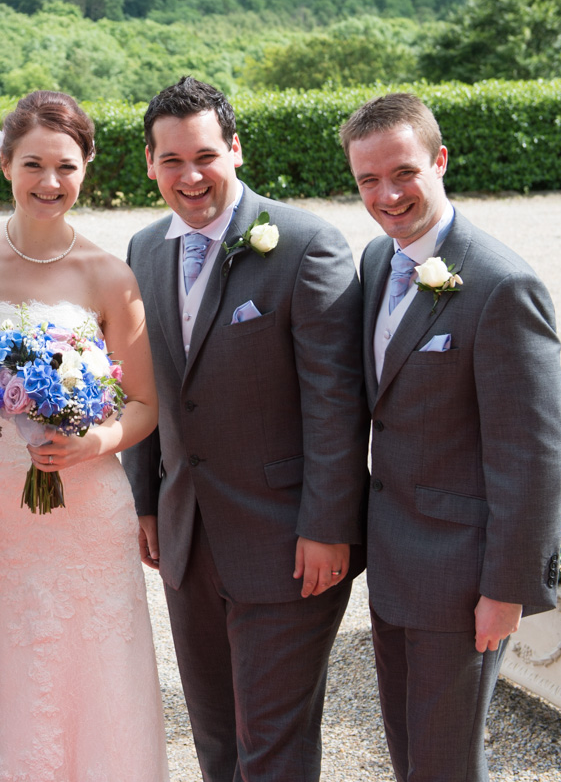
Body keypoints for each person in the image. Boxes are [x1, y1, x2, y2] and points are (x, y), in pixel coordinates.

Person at [0, 90, 168, 781]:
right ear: (4, 164)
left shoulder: (109, 275)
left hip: (85, 505)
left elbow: (145, 403)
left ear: (87, 167)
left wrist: (94, 442)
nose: (50, 182)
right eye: (33, 164)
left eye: (66, 166)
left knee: (88, 655)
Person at [123, 76, 370, 782]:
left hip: (288, 543)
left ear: (235, 149)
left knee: (272, 749)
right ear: (150, 163)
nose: (190, 176)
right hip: (187, 539)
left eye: (205, 155)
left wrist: (328, 526)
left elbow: (336, 402)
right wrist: (146, 502)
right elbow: (147, 387)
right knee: (216, 742)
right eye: (172, 160)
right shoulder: (144, 249)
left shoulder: (306, 245)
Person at [340, 92, 561, 782]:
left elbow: (533, 455)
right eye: (369, 180)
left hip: (463, 579)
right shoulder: (377, 261)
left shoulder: (503, 284)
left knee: (446, 764)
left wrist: (506, 589)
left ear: (440, 160)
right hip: (393, 563)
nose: (387, 195)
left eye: (403, 172)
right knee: (409, 756)